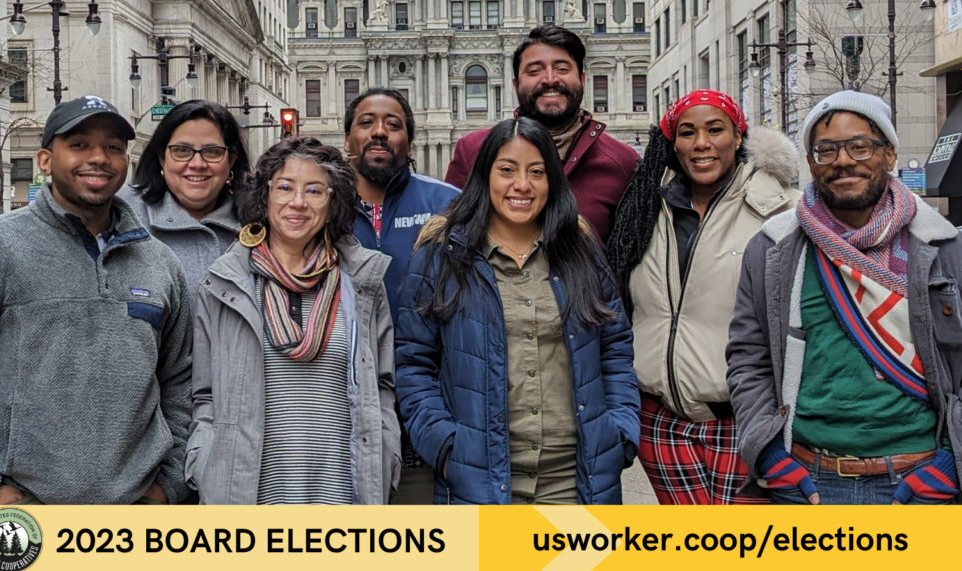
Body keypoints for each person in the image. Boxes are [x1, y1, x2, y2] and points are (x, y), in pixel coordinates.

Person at [727, 91, 962, 505]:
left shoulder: (949, 250)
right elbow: (748, 358)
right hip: (806, 482)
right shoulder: (772, 250)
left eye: (860, 146)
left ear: (888, 155)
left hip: (924, 483)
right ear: (810, 163)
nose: (843, 160)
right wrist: (769, 454)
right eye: (825, 150)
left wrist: (954, 463)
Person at [396, 117, 640, 505]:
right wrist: (443, 446)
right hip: (479, 479)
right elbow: (414, 364)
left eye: (537, 172)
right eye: (507, 170)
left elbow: (614, 348)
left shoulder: (579, 247)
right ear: (484, 176)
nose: (522, 185)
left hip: (577, 482)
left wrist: (620, 432)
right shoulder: (441, 254)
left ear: (552, 180)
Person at [0, 95, 192, 504]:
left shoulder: (161, 264)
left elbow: (181, 381)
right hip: (21, 521)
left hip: (135, 519)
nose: (99, 158)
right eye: (79, 144)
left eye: (112, 147)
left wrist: (168, 488)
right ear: (45, 160)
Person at [606, 90, 800, 505]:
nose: (701, 144)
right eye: (687, 132)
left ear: (738, 136)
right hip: (660, 423)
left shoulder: (780, 211)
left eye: (715, 130)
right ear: (672, 142)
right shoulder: (644, 207)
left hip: (744, 419)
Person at [186, 136, 400, 504]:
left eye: (315, 190)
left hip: (344, 499)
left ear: (333, 203)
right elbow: (203, 394)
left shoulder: (362, 283)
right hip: (248, 500)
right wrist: (203, 463)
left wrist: (387, 454)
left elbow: (381, 386)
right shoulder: (223, 284)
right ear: (265, 196)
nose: (297, 202)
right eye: (285, 187)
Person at [344, 88, 458, 504]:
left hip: (427, 398)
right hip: (345, 403)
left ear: (409, 142)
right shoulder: (321, 208)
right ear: (348, 140)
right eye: (366, 123)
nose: (379, 132)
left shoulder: (446, 204)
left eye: (393, 125)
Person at [444, 25, 638, 244]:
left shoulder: (624, 163)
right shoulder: (472, 151)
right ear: (516, 85)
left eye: (562, 69)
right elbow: (450, 244)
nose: (549, 79)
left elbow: (628, 260)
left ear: (583, 79)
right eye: (534, 70)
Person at [120, 100, 251, 292]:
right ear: (162, 158)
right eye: (182, 151)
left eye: (212, 152)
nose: (197, 163)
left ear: (231, 160)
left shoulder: (258, 223)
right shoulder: (120, 214)